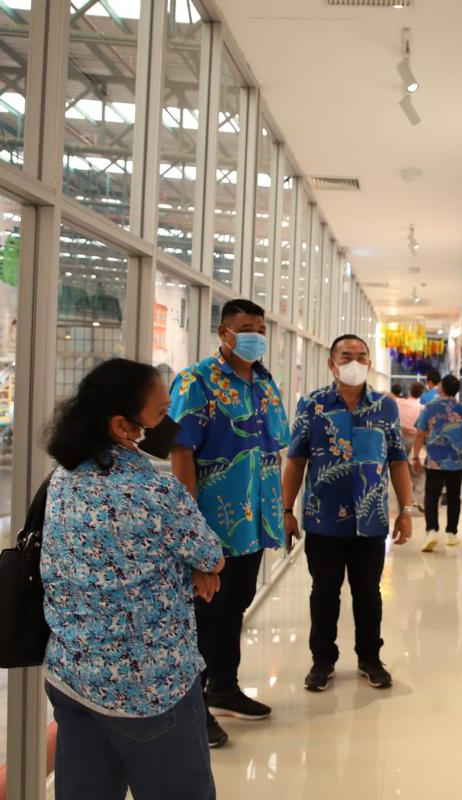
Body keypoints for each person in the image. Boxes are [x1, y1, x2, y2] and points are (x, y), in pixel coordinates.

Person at [41, 359, 224, 800]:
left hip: (72, 675)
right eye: (161, 414)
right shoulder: (155, 490)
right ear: (123, 426)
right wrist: (197, 568)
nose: (170, 425)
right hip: (149, 689)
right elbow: (211, 555)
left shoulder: (63, 479)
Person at [168, 298, 290, 748]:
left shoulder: (265, 382)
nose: (255, 335)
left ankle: (224, 686)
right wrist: (188, 525)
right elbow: (181, 452)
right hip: (212, 524)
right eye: (246, 328)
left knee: (236, 604)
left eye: (260, 328)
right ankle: (193, 707)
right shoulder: (196, 381)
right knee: (205, 614)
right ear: (224, 333)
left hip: (254, 522)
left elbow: (273, 446)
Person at [282, 334, 416, 692]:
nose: (354, 361)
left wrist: (405, 510)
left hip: (371, 522)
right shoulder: (312, 405)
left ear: (369, 362)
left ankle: (370, 659)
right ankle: (322, 661)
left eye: (361, 355)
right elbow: (296, 461)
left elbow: (397, 462)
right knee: (324, 594)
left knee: (368, 593)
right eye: (346, 355)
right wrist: (286, 510)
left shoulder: (386, 407)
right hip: (323, 520)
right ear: (332, 363)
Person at [411, 375, 462, 551]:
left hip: (434, 462)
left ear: (441, 388)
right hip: (455, 462)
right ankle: (451, 533)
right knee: (454, 497)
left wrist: (415, 456)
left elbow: (419, 433)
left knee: (431, 496)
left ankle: (432, 530)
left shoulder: (429, 407)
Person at [397, 382, 426, 510]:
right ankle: (417, 498)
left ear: (409, 390)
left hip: (399, 439)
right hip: (414, 439)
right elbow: (422, 429)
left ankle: (403, 503)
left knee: (400, 470)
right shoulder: (421, 408)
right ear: (421, 393)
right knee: (417, 471)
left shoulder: (398, 403)